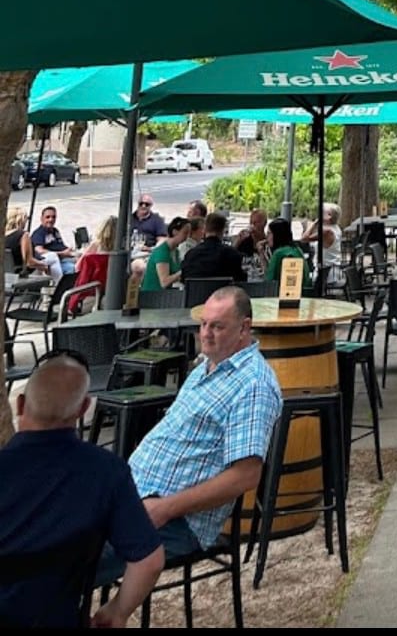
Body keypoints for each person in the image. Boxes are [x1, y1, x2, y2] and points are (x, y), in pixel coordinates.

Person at [120, 286, 282, 572]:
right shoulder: (207, 364)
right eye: (203, 324)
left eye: (217, 327)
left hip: (175, 521)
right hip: (134, 496)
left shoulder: (253, 385)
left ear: (244, 328)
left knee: (71, 556)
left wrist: (165, 508)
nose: (205, 334)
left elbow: (245, 475)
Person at [0, 352, 163, 629]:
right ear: (83, 407)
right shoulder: (106, 472)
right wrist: (117, 612)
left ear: (20, 405)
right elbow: (149, 560)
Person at [180, 211, 245, 284]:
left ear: (205, 229)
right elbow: (240, 280)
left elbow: (183, 279)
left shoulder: (190, 255)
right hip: (222, 294)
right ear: (223, 230)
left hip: (195, 294)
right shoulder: (232, 255)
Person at [74, 213, 119, 296]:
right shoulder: (121, 250)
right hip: (113, 289)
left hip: (92, 290)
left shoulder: (96, 245)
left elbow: (77, 267)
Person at [29, 204, 77, 280]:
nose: (51, 220)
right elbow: (39, 251)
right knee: (73, 268)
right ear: (42, 218)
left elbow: (62, 246)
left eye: (53, 217)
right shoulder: (39, 233)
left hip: (64, 258)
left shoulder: (55, 231)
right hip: (53, 263)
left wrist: (71, 251)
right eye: (47, 217)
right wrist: (62, 254)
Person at [141, 217, 189, 292]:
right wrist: (183, 272)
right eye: (185, 233)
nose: (187, 236)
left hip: (165, 293)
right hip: (153, 295)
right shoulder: (162, 251)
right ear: (175, 232)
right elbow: (164, 282)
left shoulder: (175, 251)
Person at [264, 218, 306, 291]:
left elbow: (269, 281)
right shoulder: (298, 250)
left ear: (277, 235)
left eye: (269, 233)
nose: (267, 237)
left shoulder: (279, 253)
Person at [302, 203, 342, 273]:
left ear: (329, 215)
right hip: (332, 269)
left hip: (326, 271)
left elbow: (304, 238)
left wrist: (314, 223)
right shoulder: (335, 228)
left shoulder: (327, 231)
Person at [4, 204, 40, 275]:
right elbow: (29, 262)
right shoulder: (23, 235)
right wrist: (45, 265)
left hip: (6, 272)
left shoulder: (3, 236)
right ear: (22, 219)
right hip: (20, 273)